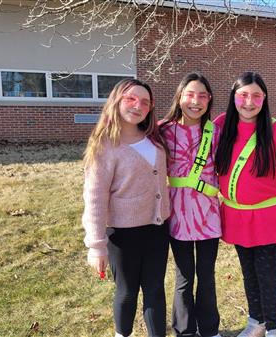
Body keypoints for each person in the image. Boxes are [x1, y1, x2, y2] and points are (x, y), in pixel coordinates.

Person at [82, 78, 171, 337]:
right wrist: (96, 245)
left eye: (144, 101)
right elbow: (95, 197)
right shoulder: (104, 146)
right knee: (127, 291)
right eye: (130, 99)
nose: (137, 106)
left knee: (155, 289)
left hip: (157, 229)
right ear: (117, 101)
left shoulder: (155, 140)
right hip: (122, 234)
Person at [214, 72, 276, 337]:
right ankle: (256, 322)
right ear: (233, 97)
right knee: (248, 273)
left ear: (264, 99)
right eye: (243, 95)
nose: (249, 102)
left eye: (256, 96)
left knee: (267, 275)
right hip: (238, 217)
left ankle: (274, 328)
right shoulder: (220, 125)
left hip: (269, 218)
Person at [160, 72, 223, 337]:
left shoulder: (215, 132)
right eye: (190, 94)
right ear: (180, 96)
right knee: (184, 277)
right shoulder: (163, 130)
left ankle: (209, 330)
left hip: (208, 215)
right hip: (177, 215)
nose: (195, 101)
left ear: (209, 100)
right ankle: (184, 331)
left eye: (202, 96)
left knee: (206, 276)